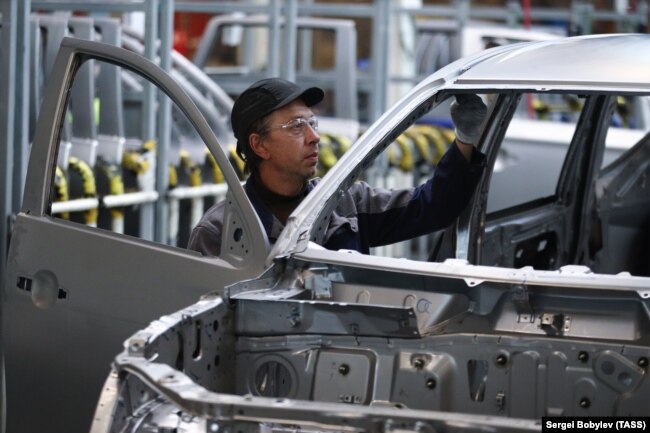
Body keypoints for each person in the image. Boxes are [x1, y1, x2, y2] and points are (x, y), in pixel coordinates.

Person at [188, 77, 486, 257]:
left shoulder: (345, 203)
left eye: (312, 123)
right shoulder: (220, 232)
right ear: (259, 145)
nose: (314, 137)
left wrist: (465, 140)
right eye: (296, 126)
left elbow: (433, 208)